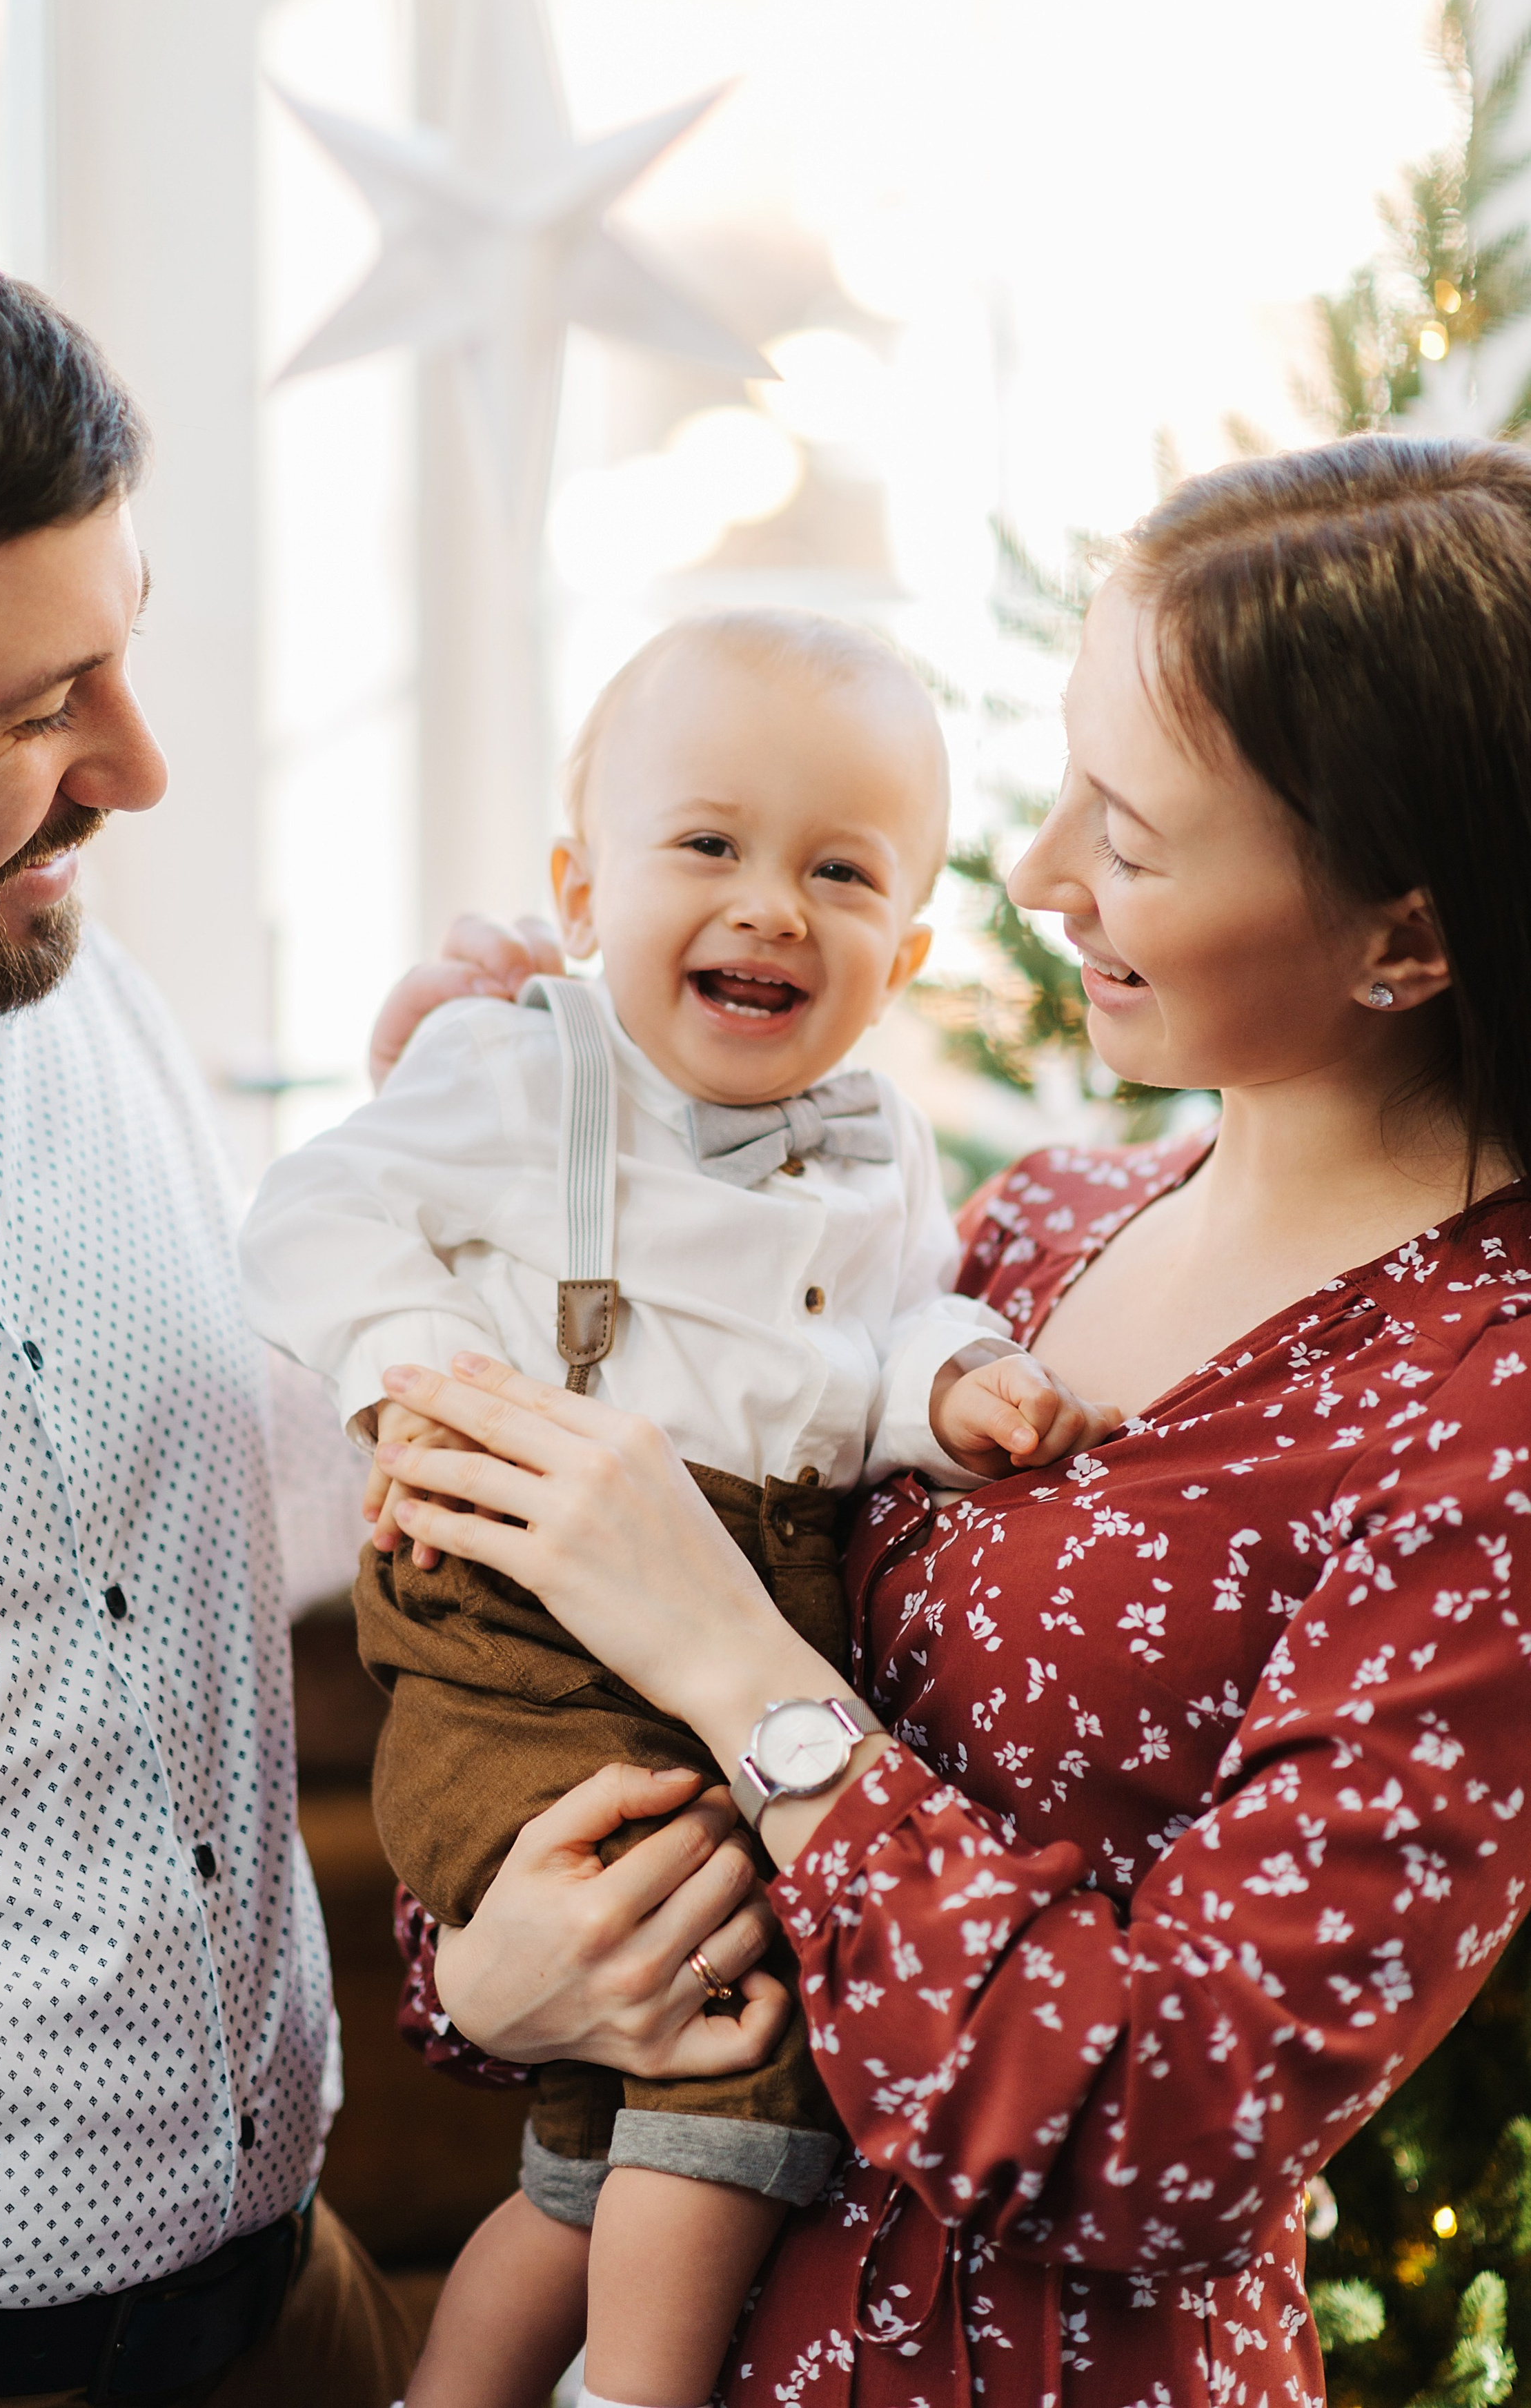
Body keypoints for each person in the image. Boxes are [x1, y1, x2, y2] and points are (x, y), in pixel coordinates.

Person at [365, 433, 1531, 2405]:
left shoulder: (1483, 1428)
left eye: (1137, 839)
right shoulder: (1037, 1224)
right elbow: (552, 1708)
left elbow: (1176, 2125)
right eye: (1068, 782)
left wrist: (743, 1670)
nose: (1043, 870)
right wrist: (491, 1977)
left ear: (1403, 940)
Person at [0, 217, 735, 2408]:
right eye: (31, 709)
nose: (139, 761)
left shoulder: (63, 973)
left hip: (285, 2312)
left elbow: (202, 1501)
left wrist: (438, 1185)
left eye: (119, 651)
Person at [241, 613, 1117, 2408]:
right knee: (733, 2040)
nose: (772, 902)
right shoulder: (520, 1070)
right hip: (512, 1618)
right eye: (708, 845)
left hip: (744, 1595)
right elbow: (312, 1218)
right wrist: (412, 1369)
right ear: (581, 885)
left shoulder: (879, 1140)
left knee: (587, 2150)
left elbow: (874, 1344)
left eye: (841, 868)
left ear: (913, 947)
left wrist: (954, 1387)